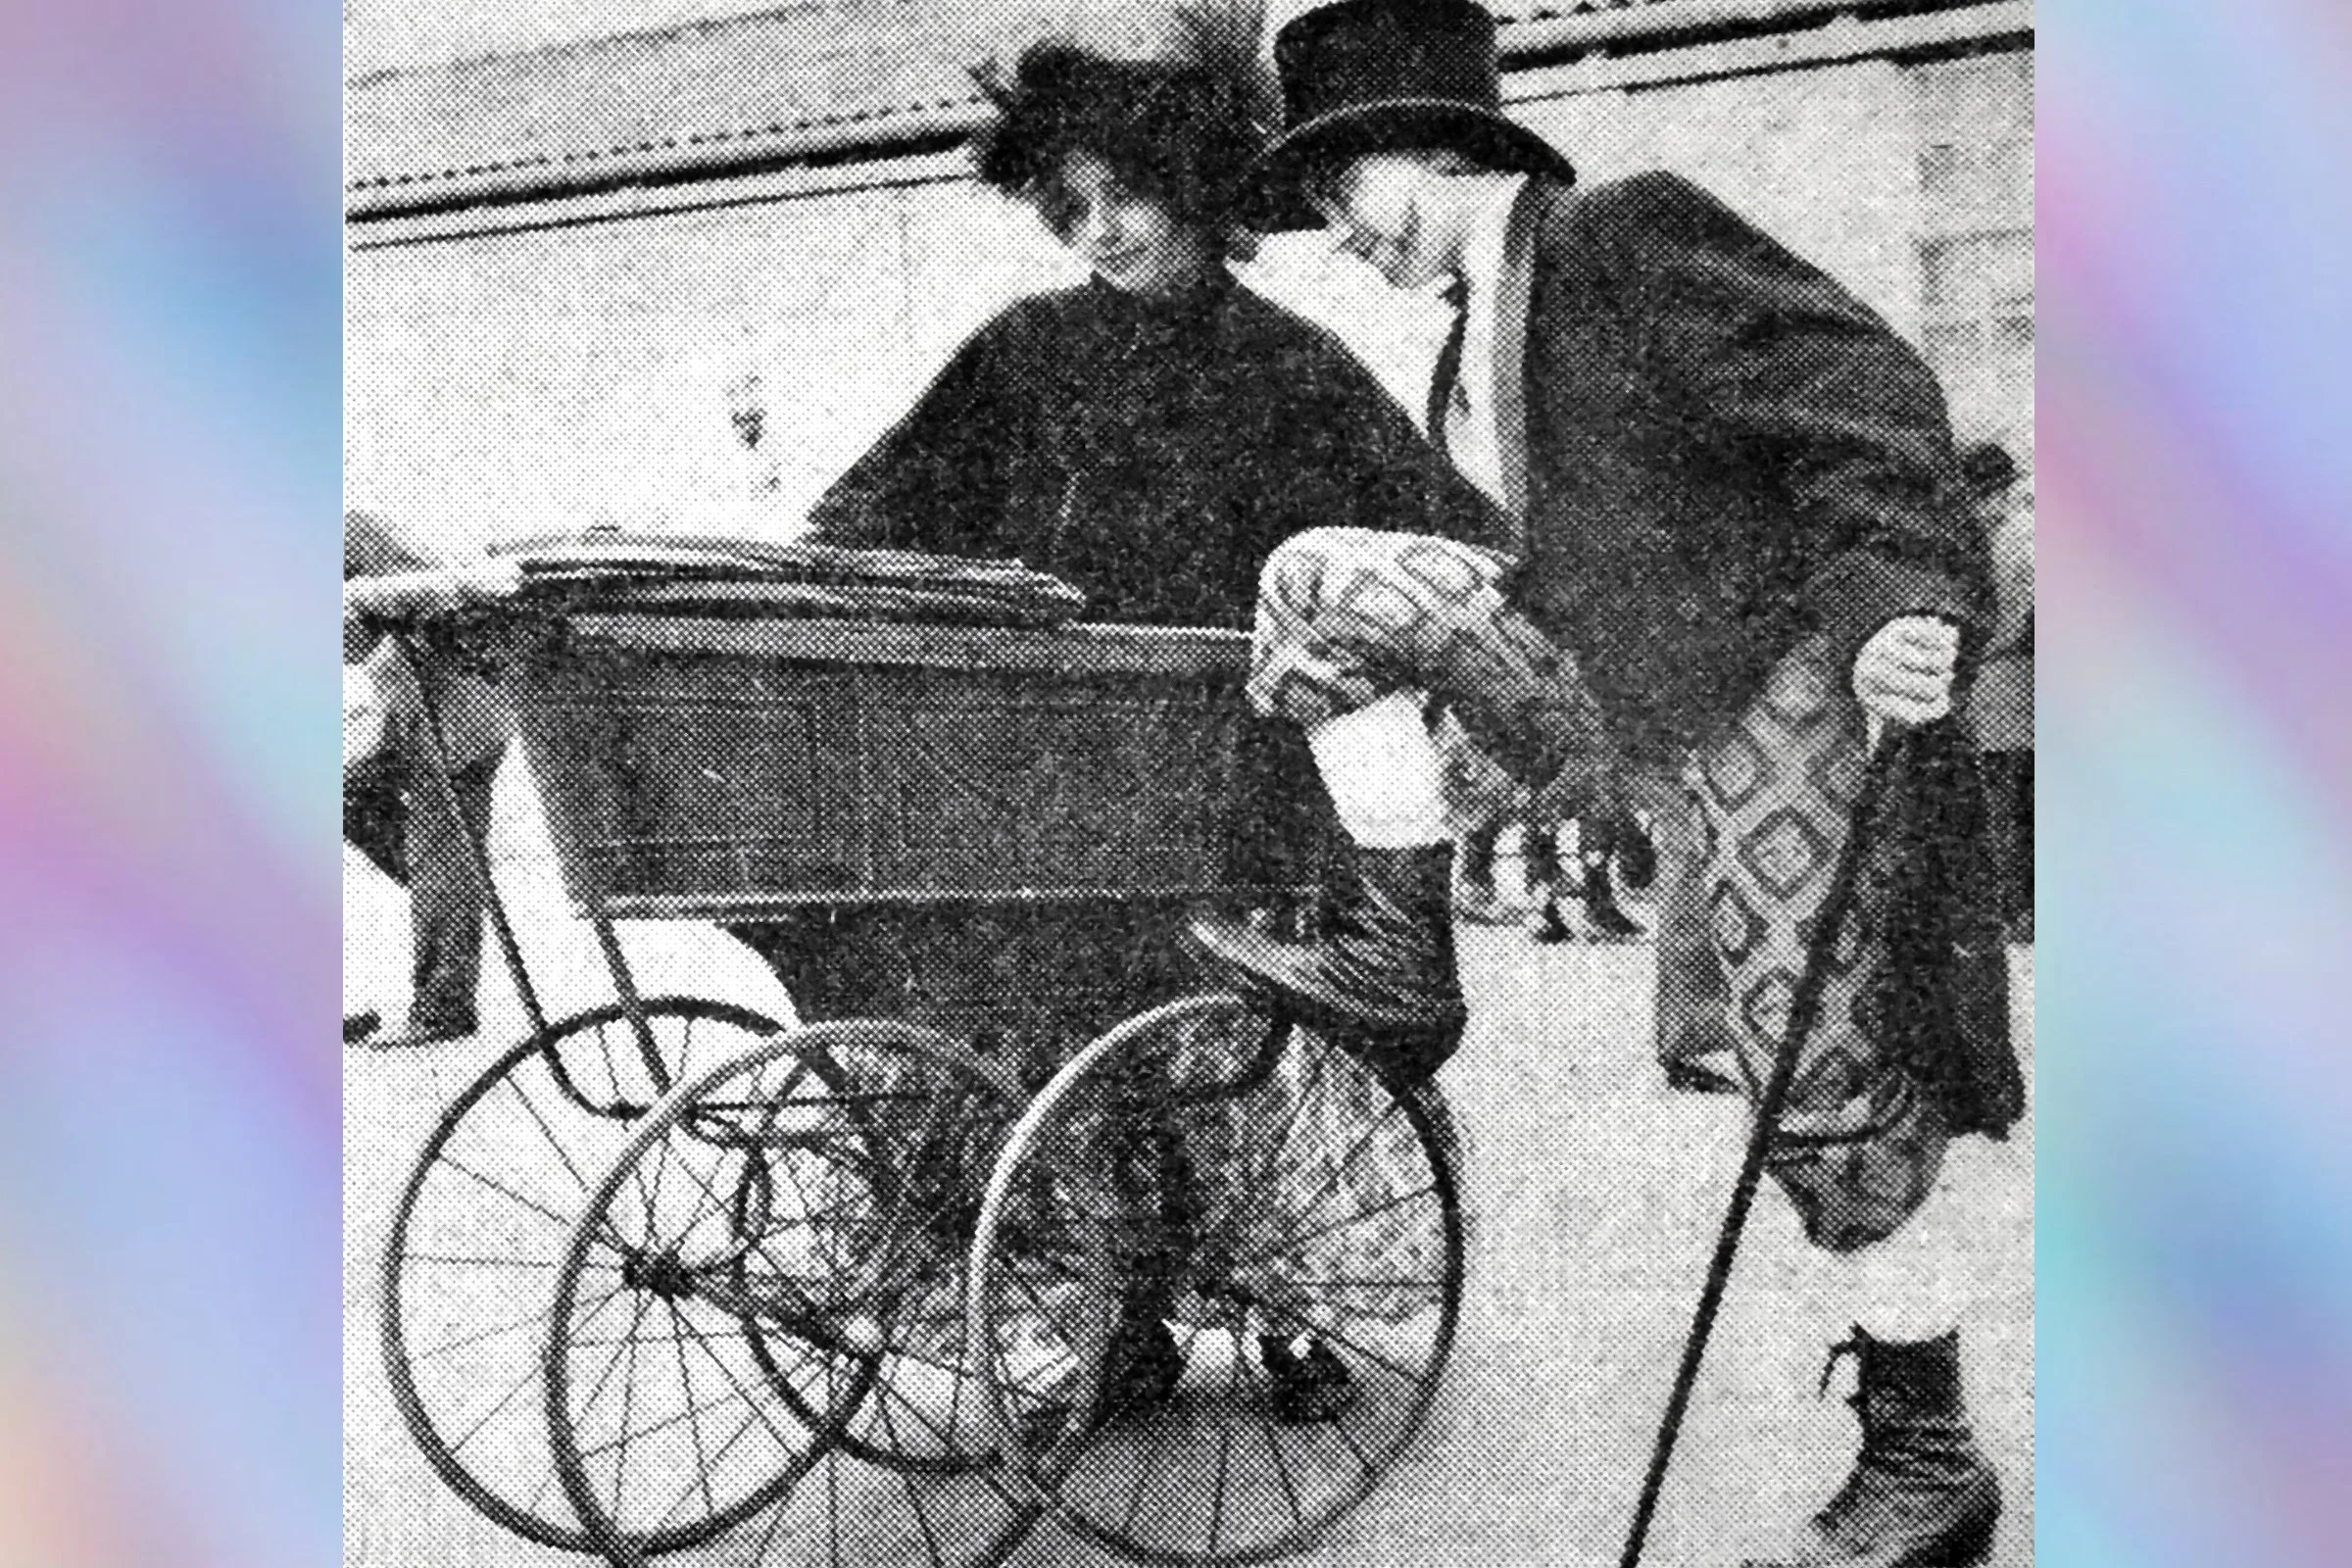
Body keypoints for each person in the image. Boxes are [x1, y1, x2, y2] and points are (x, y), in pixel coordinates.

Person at [1188, 3, 2027, 1562]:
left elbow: (1870, 394)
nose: (1331, 230)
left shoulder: (1622, 238)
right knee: (1317, 581)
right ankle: (1399, 951)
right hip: (1625, 702)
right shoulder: (1467, 333)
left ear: (1432, 143)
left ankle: (1931, 1455)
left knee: (1818, 1091)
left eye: (1339, 187)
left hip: (1775, 691)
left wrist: (1909, 599)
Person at [752, 16, 1508, 1428]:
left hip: (1252, 773)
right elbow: (863, 516)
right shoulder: (1023, 352)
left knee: (1241, 1058)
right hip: (1058, 777)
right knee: (1082, 1058)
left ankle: (1293, 1305)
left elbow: (1445, 545)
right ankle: (1127, 1323)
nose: (1099, 233)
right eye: (1072, 207)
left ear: (1205, 189)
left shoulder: (1298, 365)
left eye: (1128, 197)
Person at [343, 511, 514, 1049]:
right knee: (347, 798)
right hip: (415, 719)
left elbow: (443, 592)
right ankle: (450, 886)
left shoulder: (352, 531)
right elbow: (351, 643)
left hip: (457, 726)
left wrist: (360, 602)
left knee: (444, 863)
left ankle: (443, 1011)